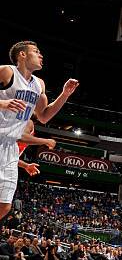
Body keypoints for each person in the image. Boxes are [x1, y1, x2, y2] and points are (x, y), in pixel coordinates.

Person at [0, 41, 79, 221]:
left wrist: (64, 94)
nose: (41, 55)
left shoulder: (39, 84)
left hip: (10, 148)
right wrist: (3, 103)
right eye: (36, 52)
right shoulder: (7, 71)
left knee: (4, 206)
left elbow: (43, 116)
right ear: (22, 55)